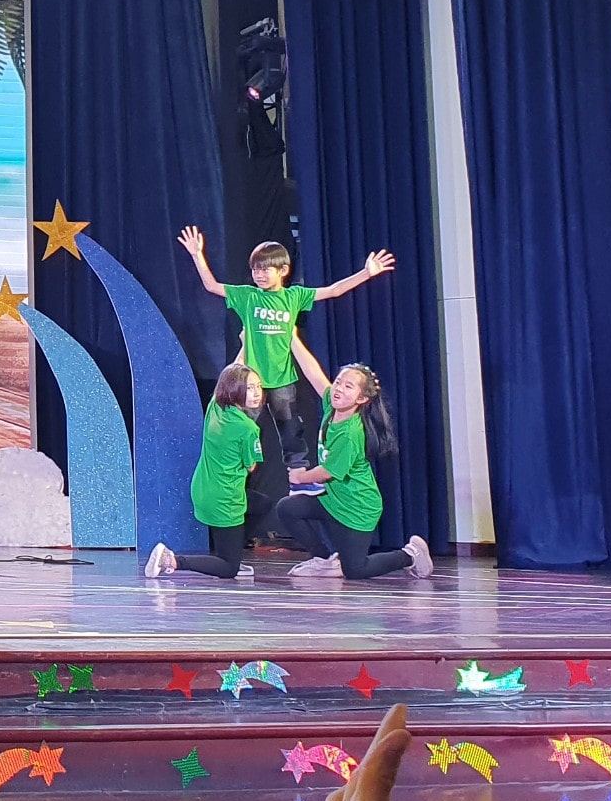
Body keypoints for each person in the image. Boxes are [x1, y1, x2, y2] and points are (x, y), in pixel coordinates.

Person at [176, 228, 395, 494]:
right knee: (238, 428)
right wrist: (197, 255)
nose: (259, 274)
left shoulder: (293, 297)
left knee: (291, 431)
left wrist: (366, 273)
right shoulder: (248, 296)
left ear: (283, 270)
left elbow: (334, 291)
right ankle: (228, 478)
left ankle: (298, 480)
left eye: (265, 269)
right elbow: (212, 286)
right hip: (252, 382)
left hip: (282, 380)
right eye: (255, 269)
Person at [275, 336, 434, 580]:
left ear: (361, 399)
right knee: (287, 508)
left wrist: (300, 477)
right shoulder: (332, 406)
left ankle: (409, 554)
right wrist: (292, 337)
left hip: (357, 507)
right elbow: (313, 372)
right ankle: (324, 559)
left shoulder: (350, 434)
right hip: (332, 500)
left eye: (348, 386)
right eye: (339, 382)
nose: (338, 388)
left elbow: (327, 472)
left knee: (355, 570)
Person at [144, 364, 265, 581]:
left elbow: (229, 374)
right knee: (229, 569)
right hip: (226, 498)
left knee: (262, 504)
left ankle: (231, 551)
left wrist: (245, 348)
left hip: (204, 489)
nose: (257, 393)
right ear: (234, 388)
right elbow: (251, 466)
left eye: (258, 386)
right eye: (249, 388)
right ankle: (172, 560)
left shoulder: (215, 407)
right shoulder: (248, 429)